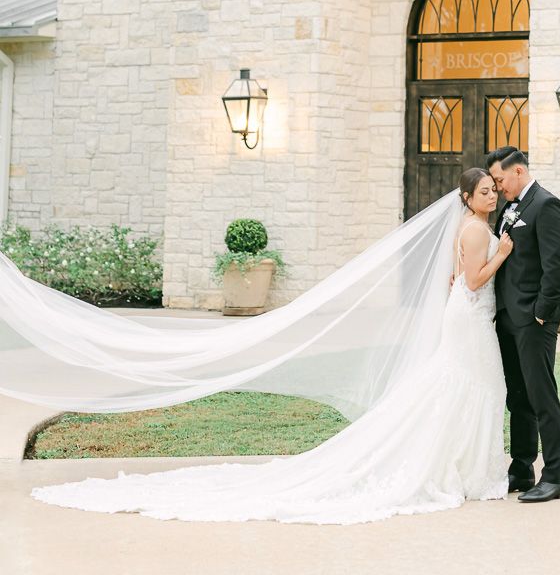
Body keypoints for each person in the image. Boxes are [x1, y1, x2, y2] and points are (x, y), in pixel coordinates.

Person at [28, 169, 515, 524]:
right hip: (469, 318)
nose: (492, 196)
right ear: (467, 197)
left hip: (469, 319)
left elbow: (457, 276)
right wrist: (505, 255)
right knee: (467, 386)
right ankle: (459, 470)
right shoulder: (475, 228)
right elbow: (471, 281)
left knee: (466, 387)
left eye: (494, 190)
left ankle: (464, 467)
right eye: (485, 192)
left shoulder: (472, 227)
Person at [486, 147, 560, 504]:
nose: (497, 186)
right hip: (507, 317)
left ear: (518, 171)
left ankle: (554, 478)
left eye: (500, 179)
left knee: (541, 397)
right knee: (517, 397)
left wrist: (541, 313)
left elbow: (556, 266)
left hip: (533, 321)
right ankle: (522, 468)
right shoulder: (509, 208)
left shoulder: (547, 205)